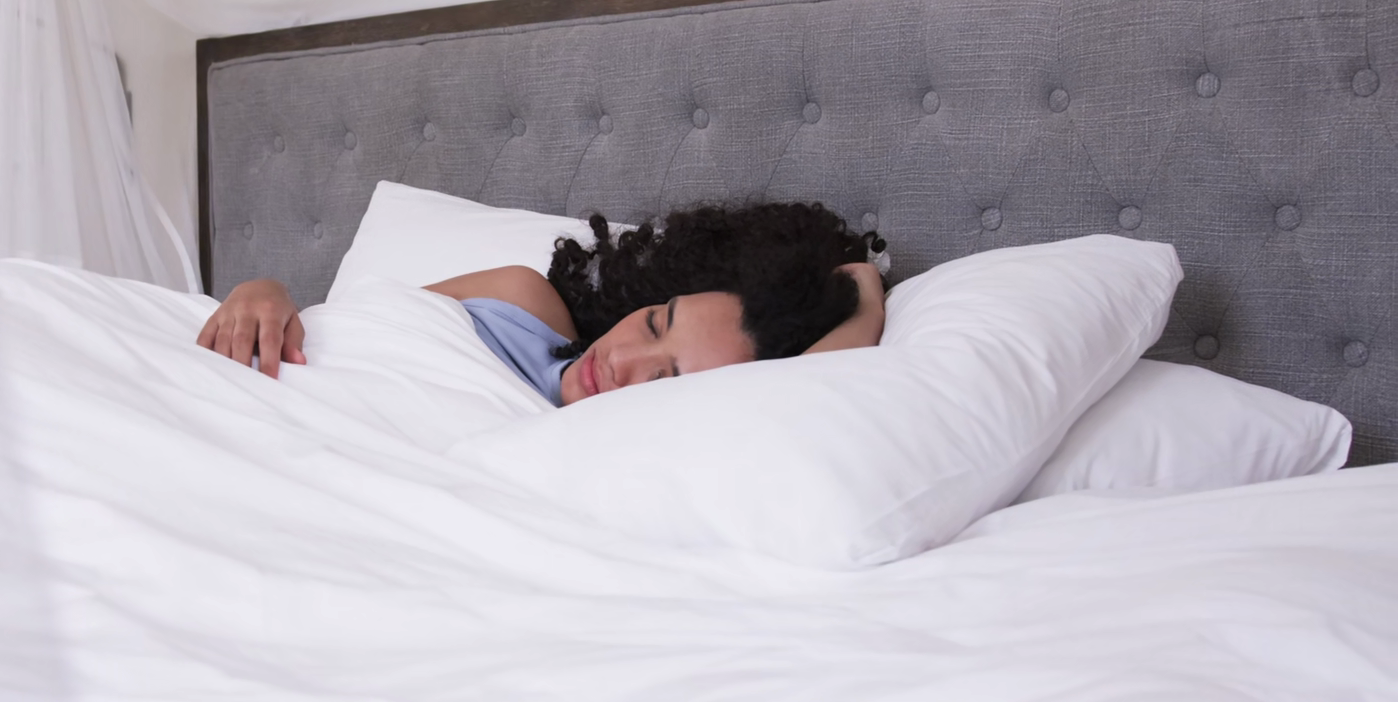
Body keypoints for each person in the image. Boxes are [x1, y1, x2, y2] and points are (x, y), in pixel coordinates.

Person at [196, 199, 886, 406]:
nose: (622, 362)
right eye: (654, 324)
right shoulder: (520, 299)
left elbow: (813, 389)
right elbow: (349, 328)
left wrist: (863, 285)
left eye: (665, 380)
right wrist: (267, 291)